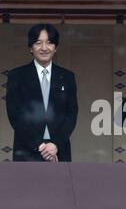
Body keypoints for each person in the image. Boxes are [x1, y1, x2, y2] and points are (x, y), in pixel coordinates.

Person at [6, 24, 78, 162]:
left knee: (60, 184)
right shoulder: (17, 76)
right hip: (27, 150)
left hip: (59, 150)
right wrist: (40, 145)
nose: (44, 48)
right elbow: (15, 115)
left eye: (49, 43)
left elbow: (71, 115)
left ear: (56, 48)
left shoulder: (67, 76)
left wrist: (55, 145)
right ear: (30, 48)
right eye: (38, 43)